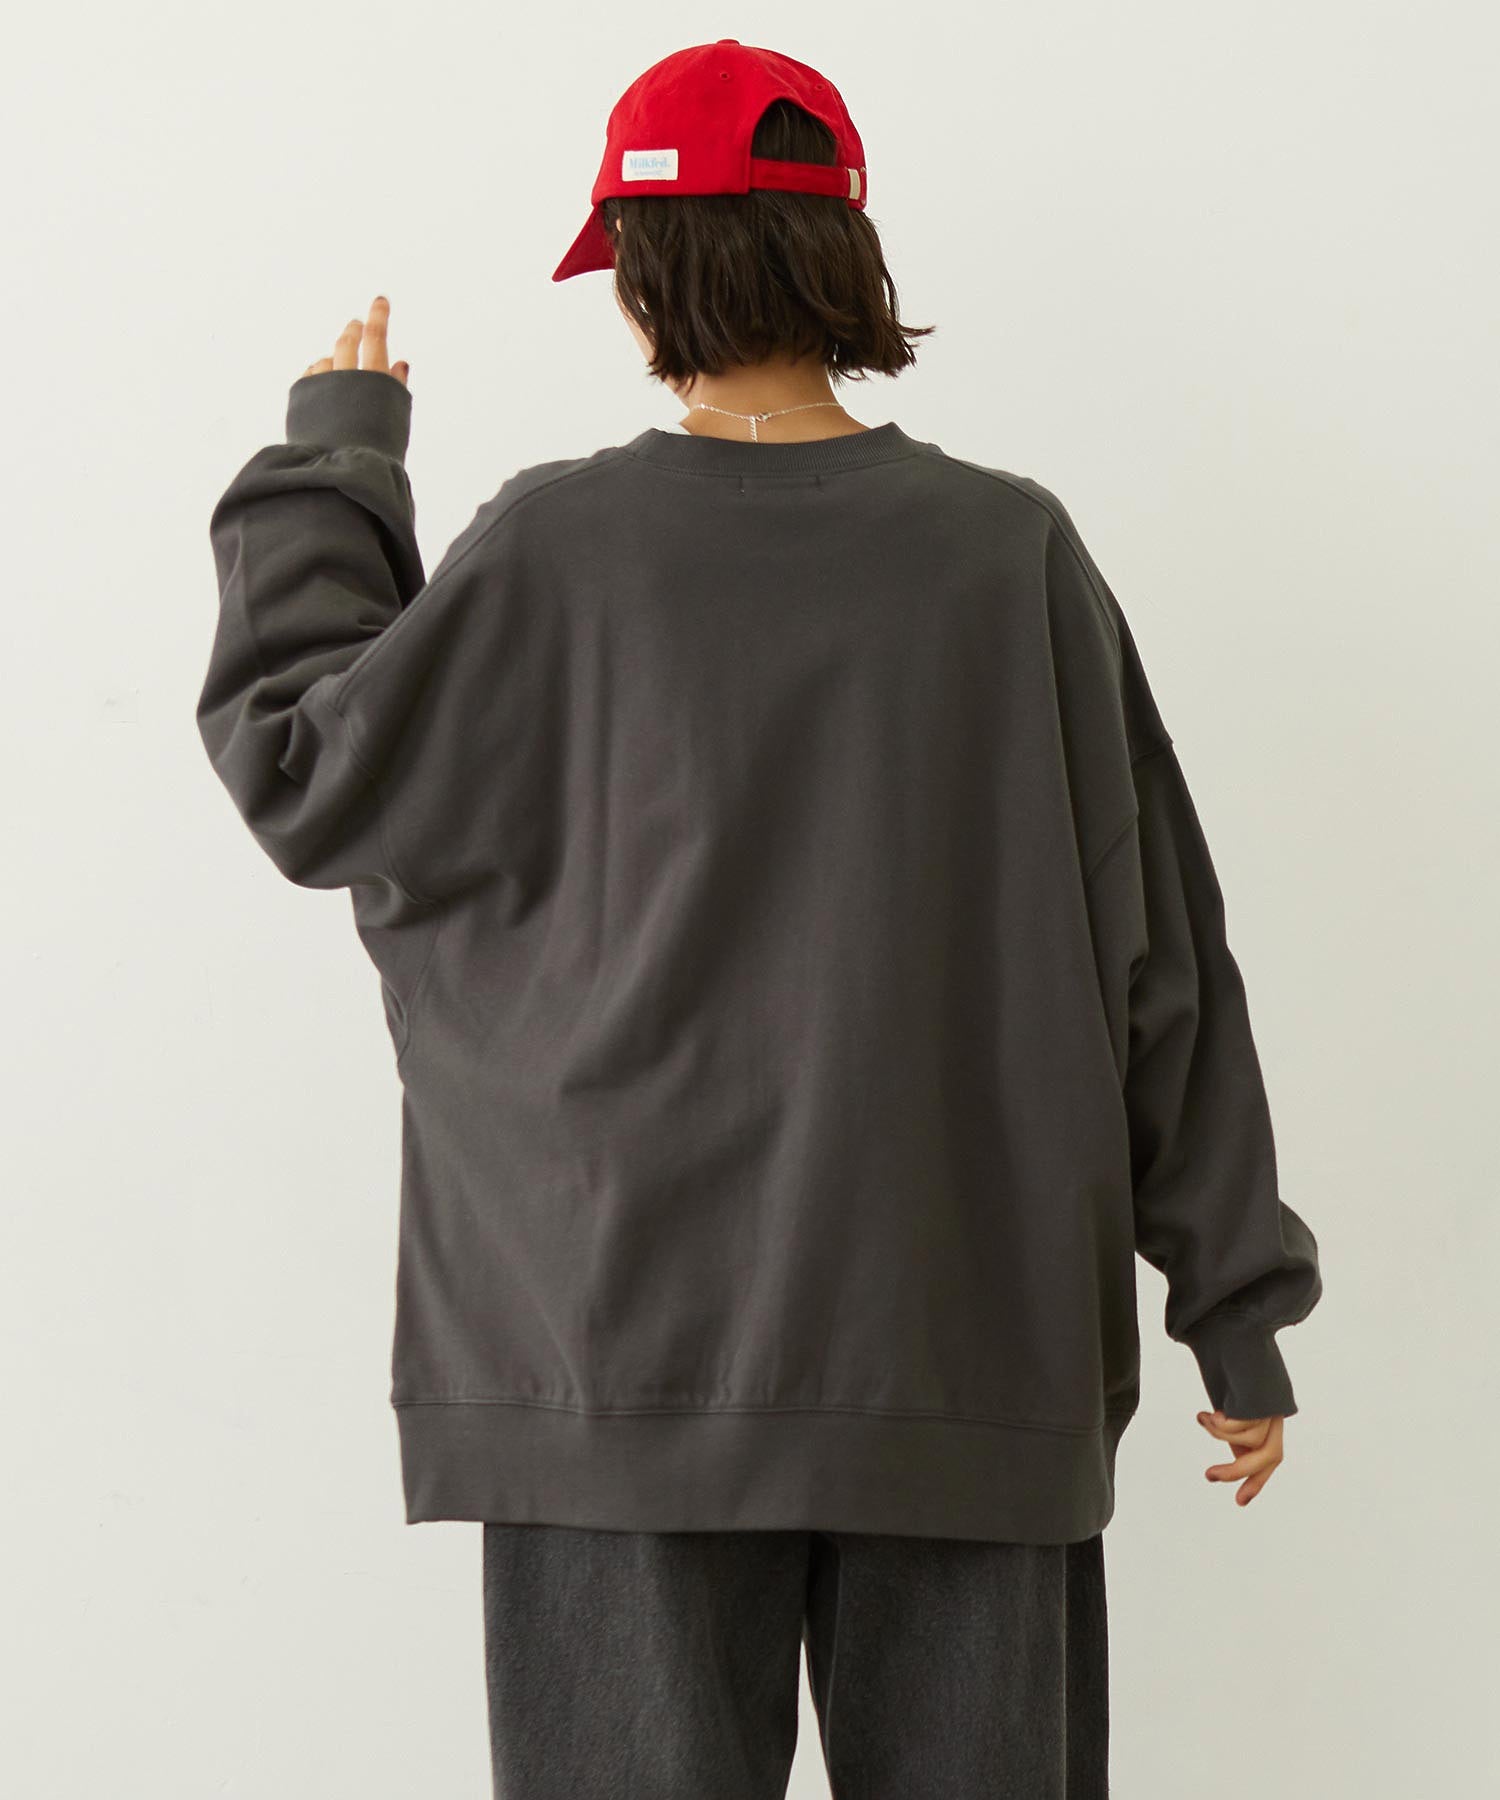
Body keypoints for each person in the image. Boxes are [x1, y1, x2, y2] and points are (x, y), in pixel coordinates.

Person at [195, 38, 1323, 1800]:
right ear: (846, 252)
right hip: (961, 1348)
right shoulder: (1009, 556)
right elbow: (1159, 952)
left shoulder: (554, 549)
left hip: (619, 1363)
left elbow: (310, 771)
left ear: (643, 277)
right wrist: (1231, 1296)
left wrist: (333, 471)